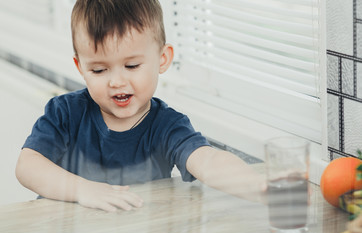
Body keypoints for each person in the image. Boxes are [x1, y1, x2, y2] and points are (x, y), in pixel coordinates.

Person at [16, 0, 266, 212]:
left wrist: (261, 188)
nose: (116, 81)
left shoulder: (167, 126)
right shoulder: (66, 112)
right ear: (81, 67)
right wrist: (83, 190)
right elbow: (28, 166)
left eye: (132, 66)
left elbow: (208, 160)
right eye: (99, 70)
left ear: (162, 59)